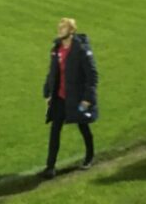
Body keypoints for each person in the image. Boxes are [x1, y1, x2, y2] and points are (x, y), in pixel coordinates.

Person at [41, 17, 98, 179]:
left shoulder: (81, 50)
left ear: (71, 30)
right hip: (60, 97)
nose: (59, 30)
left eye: (63, 27)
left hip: (77, 98)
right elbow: (52, 71)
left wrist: (87, 99)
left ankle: (89, 155)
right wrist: (47, 92)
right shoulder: (56, 48)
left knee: (83, 126)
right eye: (59, 27)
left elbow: (92, 76)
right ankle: (50, 167)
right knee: (55, 130)